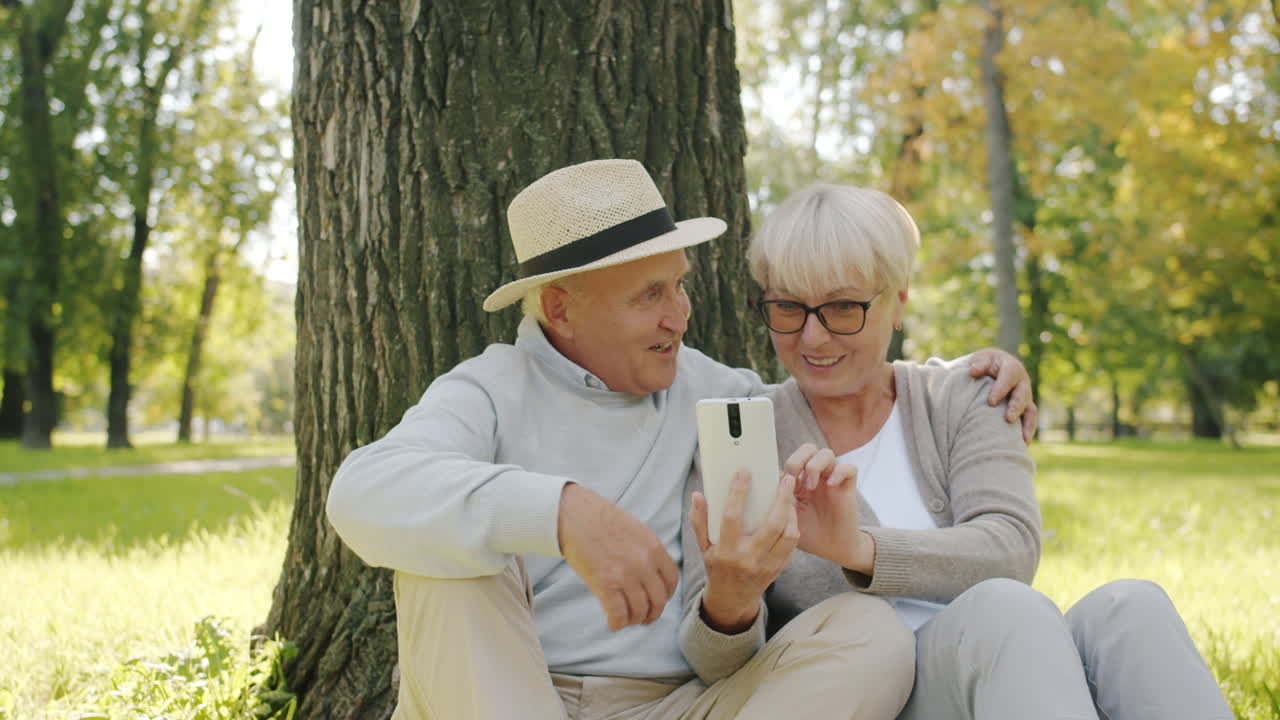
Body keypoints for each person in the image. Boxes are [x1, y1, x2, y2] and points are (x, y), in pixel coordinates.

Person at [325, 160, 1033, 720]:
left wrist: (959, 378)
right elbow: (359, 493)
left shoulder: (715, 391)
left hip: (679, 703)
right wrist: (563, 513)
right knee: (445, 559)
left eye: (679, 286)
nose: (681, 316)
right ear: (562, 308)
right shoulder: (486, 390)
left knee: (871, 637)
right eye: (649, 296)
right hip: (504, 692)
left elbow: (832, 369)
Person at [684, 182, 1232, 720]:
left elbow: (1011, 548)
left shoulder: (964, 396)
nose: (813, 338)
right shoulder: (744, 433)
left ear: (897, 304)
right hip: (880, 693)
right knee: (1003, 610)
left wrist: (858, 548)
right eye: (788, 308)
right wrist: (731, 600)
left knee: (1131, 607)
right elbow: (712, 667)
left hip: (1013, 663)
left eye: (843, 308)